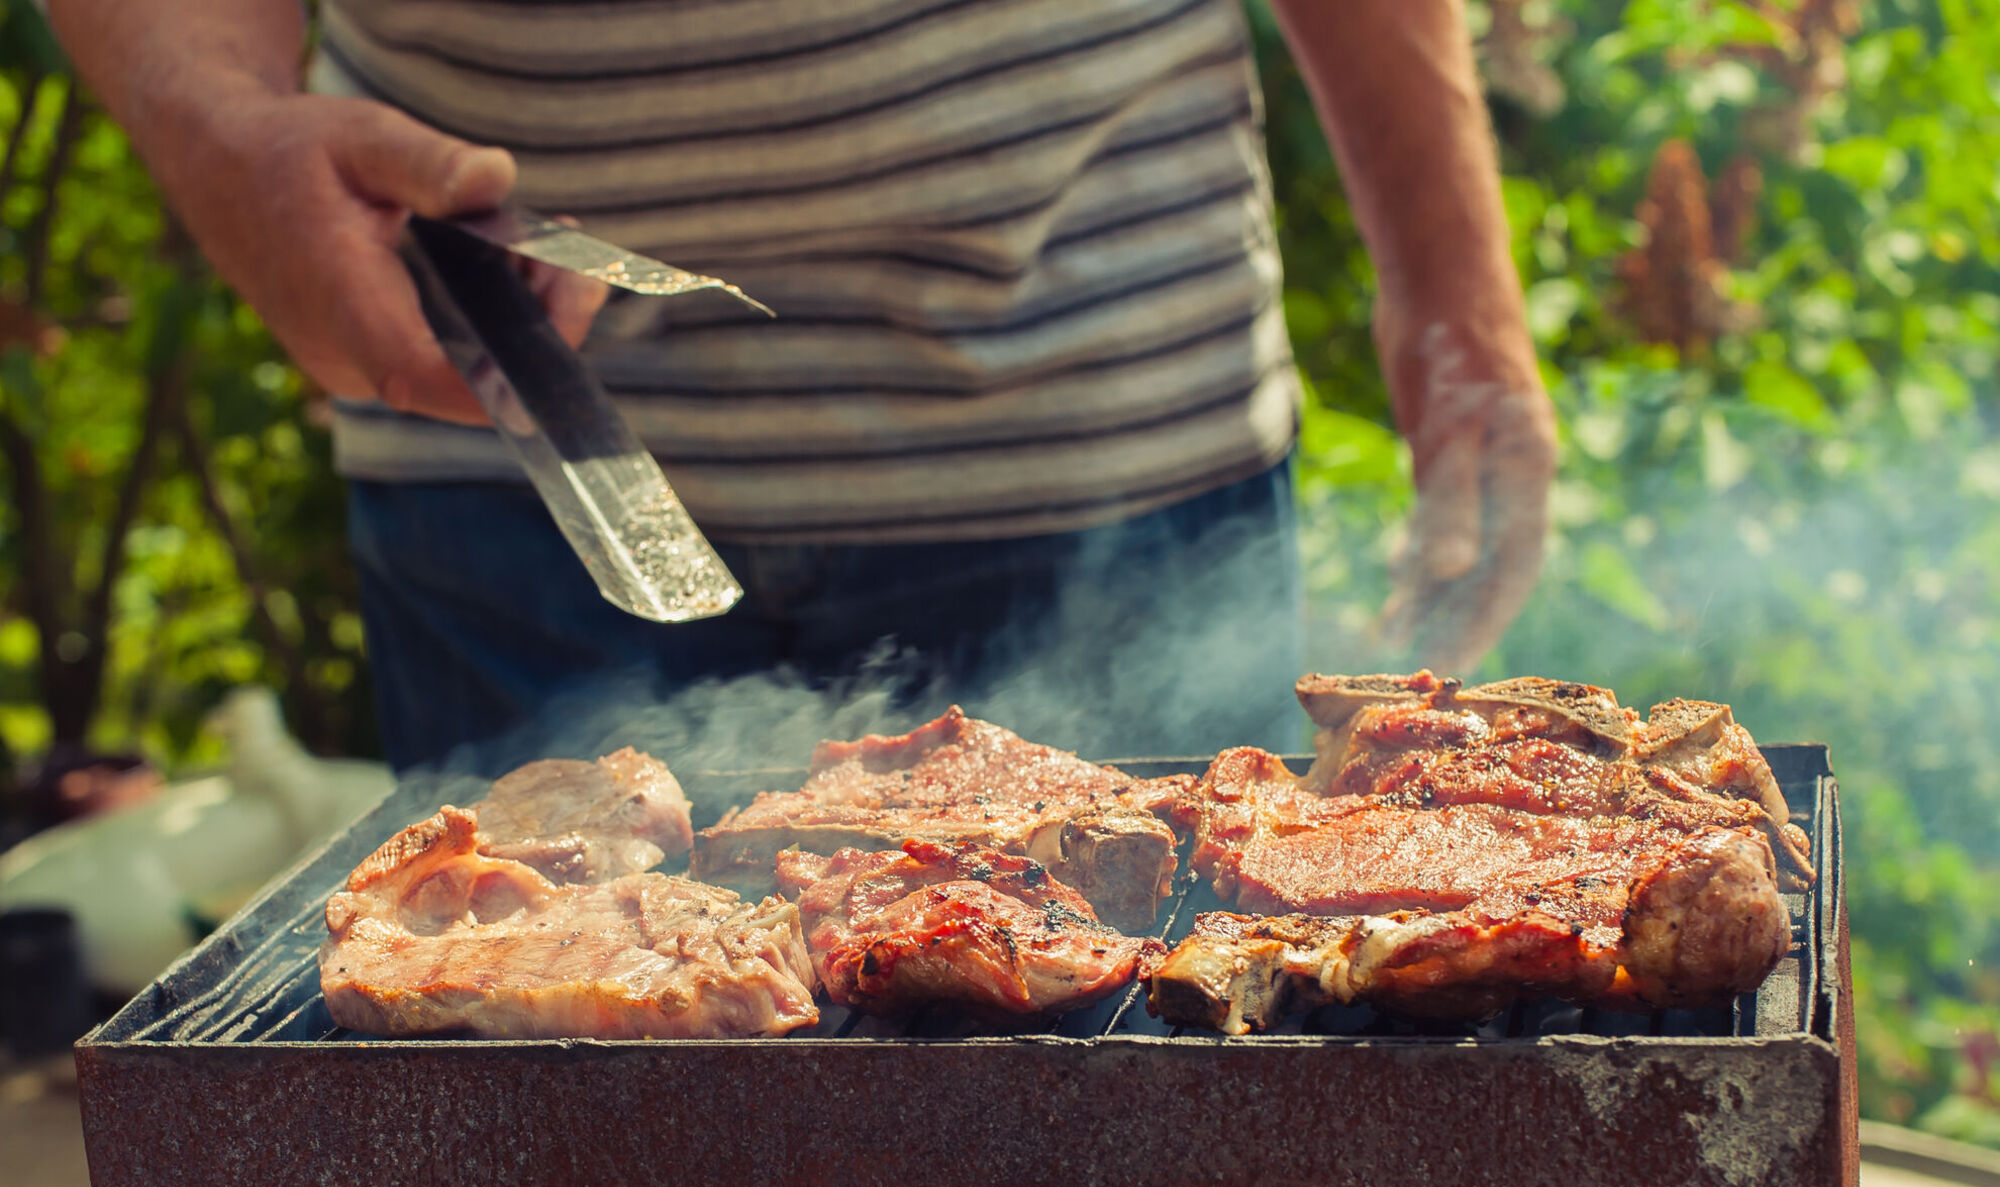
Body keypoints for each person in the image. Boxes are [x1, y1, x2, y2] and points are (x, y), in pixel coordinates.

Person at [50, 0, 1556, 769]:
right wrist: (223, 126)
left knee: (1140, 1184)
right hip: (501, 434)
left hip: (1099, 417)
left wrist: (1458, 294)